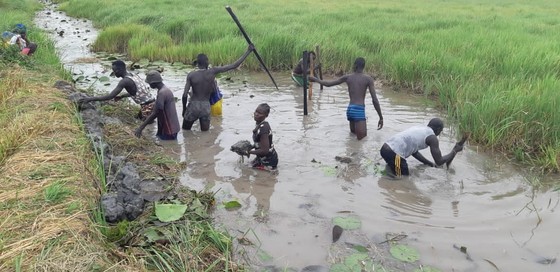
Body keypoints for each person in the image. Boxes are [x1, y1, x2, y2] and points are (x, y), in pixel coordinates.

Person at [182, 44, 254, 131]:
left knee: (185, 131)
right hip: (205, 106)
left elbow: (185, 95)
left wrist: (184, 109)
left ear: (197, 63)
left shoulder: (191, 75)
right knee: (205, 134)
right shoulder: (212, 72)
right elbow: (234, 65)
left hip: (193, 106)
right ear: (207, 62)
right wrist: (248, 51)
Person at [309, 57, 383, 140]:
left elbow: (328, 84)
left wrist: (315, 79)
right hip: (359, 110)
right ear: (363, 66)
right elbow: (375, 100)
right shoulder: (368, 79)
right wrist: (381, 117)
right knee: (362, 141)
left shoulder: (348, 77)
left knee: (353, 138)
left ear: (354, 65)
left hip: (350, 110)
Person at [380, 118, 464, 177]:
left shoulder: (420, 128)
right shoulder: (432, 138)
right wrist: (454, 151)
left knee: (394, 172)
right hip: (394, 154)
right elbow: (439, 161)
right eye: (440, 131)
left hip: (385, 148)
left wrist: (429, 163)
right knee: (403, 179)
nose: (439, 133)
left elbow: (414, 152)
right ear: (438, 130)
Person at [79, 60, 155, 121]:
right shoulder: (133, 75)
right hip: (152, 103)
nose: (114, 73)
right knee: (138, 119)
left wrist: (90, 99)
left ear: (120, 70)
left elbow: (110, 96)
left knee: (146, 129)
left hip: (148, 106)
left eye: (115, 71)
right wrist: (122, 96)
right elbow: (138, 92)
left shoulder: (125, 81)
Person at [134, 70, 180, 140]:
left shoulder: (162, 93)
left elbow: (156, 112)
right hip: (171, 126)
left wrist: (141, 128)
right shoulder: (164, 90)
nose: (149, 85)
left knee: (167, 147)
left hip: (169, 129)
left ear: (153, 83)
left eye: (149, 83)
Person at [246, 103, 278, 170]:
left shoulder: (263, 128)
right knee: (245, 167)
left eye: (260, 113)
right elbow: (259, 142)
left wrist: (248, 152)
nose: (256, 114)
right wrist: (249, 147)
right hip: (260, 157)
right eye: (256, 111)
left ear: (266, 115)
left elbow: (264, 150)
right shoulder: (259, 124)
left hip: (268, 161)